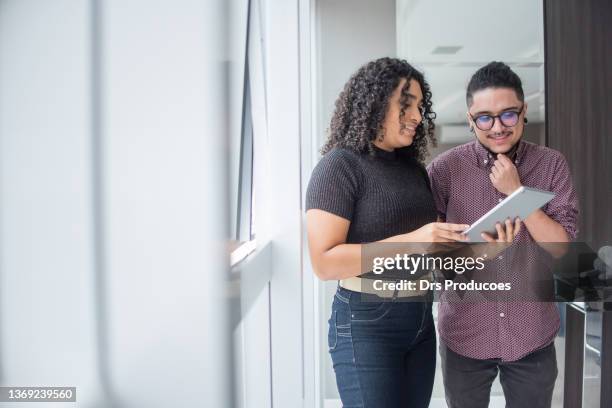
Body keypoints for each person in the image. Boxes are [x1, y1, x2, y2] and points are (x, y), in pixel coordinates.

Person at [306, 57, 474, 407]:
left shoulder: (413, 170)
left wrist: (467, 244)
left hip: (419, 315)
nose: (416, 116)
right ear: (374, 102)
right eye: (406, 104)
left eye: (420, 107)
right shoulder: (339, 166)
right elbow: (324, 263)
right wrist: (415, 241)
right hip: (367, 321)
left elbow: (424, 249)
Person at [427, 61, 579, 408]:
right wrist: (480, 253)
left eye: (508, 114)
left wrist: (517, 194)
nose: (497, 127)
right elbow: (434, 259)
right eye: (484, 118)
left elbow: (561, 248)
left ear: (524, 111)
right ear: (470, 118)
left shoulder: (552, 165)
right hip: (465, 333)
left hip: (532, 335)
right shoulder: (444, 171)